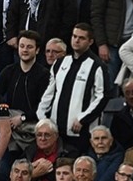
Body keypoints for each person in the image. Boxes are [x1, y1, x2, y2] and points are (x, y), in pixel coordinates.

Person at [36, 25, 107, 153]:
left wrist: (83, 119)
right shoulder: (60, 63)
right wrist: (41, 116)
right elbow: (49, 93)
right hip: (56, 129)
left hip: (81, 131)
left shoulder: (97, 66)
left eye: (81, 38)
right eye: (74, 36)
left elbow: (102, 97)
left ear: (90, 42)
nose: (76, 40)